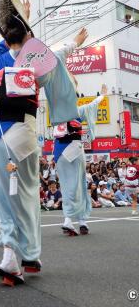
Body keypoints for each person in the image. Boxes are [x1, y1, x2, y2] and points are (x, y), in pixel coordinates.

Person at [0, 0, 86, 284]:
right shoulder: (37, 58)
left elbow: (8, 45)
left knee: (4, 197)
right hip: (22, 135)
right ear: (29, 37)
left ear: (6, 35)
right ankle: (25, 255)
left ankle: (15, 254)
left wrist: (21, 20)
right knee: (25, 195)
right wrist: (73, 43)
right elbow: (55, 56)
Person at [55, 84, 107, 236]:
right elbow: (93, 104)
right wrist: (103, 95)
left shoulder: (56, 112)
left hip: (59, 153)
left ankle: (69, 219)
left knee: (66, 186)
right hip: (74, 149)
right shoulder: (77, 111)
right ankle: (80, 220)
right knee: (79, 185)